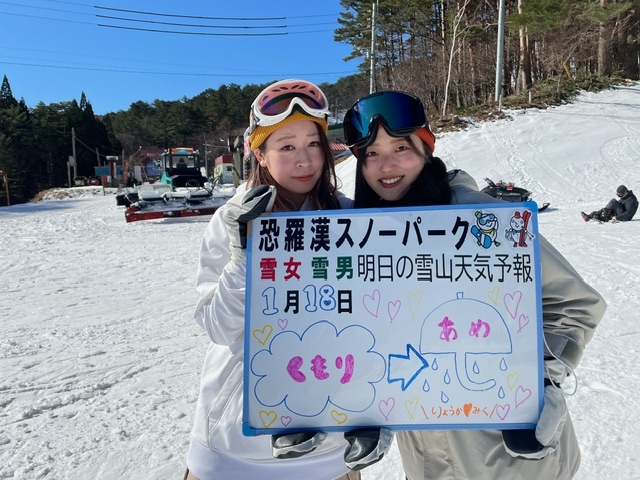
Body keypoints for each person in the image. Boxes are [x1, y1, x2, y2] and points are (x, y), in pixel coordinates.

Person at [343, 90, 608, 480]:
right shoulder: (369, 234)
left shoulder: (485, 221)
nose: (387, 165)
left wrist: (542, 382)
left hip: (509, 455)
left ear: (426, 149)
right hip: (430, 458)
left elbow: (575, 304)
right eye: (372, 154)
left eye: (401, 147)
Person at [185, 79, 391, 480]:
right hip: (235, 450)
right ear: (259, 154)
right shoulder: (231, 219)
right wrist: (245, 255)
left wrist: (382, 408)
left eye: (313, 144)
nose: (305, 161)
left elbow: (381, 320)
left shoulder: (352, 221)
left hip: (329, 450)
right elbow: (218, 326)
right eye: (286, 147)